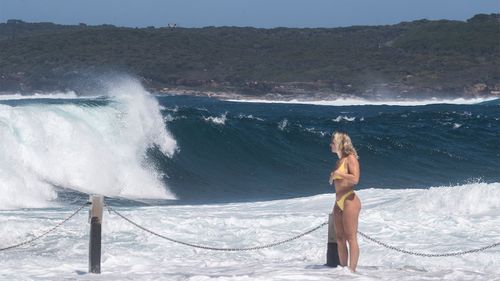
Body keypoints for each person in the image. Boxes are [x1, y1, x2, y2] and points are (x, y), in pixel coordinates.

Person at [329, 131, 361, 272]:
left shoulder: (351, 158)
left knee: (350, 237)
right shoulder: (339, 161)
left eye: (333, 142)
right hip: (338, 201)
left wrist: (338, 174)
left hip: (350, 199)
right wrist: (333, 177)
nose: (330, 144)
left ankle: (352, 272)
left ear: (340, 144)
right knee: (340, 238)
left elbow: (355, 179)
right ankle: (343, 271)